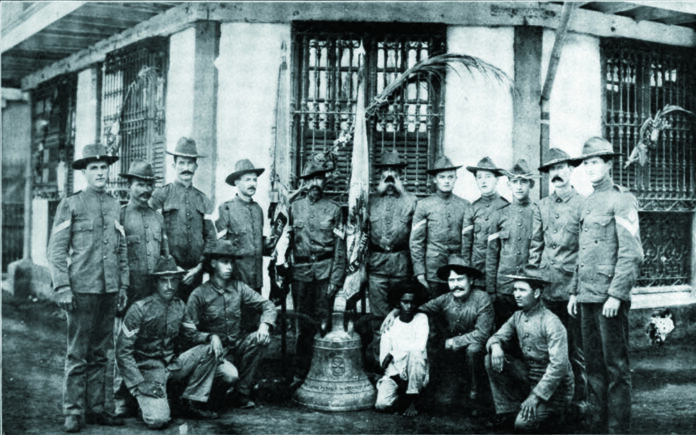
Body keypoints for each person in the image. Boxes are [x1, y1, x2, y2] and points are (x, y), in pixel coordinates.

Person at [48, 144, 129, 432]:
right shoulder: (71, 204)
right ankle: (72, 411)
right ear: (84, 172)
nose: (100, 173)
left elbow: (121, 251)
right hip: (81, 289)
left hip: (108, 291)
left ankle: (95, 409)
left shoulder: (114, 204)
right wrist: (62, 288)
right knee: (77, 353)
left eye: (103, 167)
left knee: (100, 353)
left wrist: (122, 287)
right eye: (93, 168)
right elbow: (56, 251)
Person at [567, 137, 643, 434]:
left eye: (596, 161)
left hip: (609, 299)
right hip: (587, 296)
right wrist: (575, 290)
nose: (590, 167)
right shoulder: (587, 202)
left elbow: (631, 252)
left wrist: (616, 294)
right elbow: (581, 252)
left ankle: (616, 429)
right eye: (586, 162)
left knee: (616, 369)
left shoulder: (622, 199)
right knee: (593, 367)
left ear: (609, 164)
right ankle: (597, 424)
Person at [116, 256, 219, 429]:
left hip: (172, 366)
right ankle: (138, 401)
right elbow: (123, 352)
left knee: (209, 349)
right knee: (158, 420)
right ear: (155, 283)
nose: (169, 286)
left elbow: (191, 335)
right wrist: (140, 384)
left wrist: (210, 337)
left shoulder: (179, 305)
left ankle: (190, 403)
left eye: (173, 281)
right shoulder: (139, 309)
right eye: (164, 281)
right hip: (148, 371)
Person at [182, 240, 278, 409]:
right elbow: (188, 332)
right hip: (214, 354)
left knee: (260, 339)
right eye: (224, 262)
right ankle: (212, 397)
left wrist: (264, 325)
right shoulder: (199, 294)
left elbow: (268, 305)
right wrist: (209, 337)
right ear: (213, 264)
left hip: (236, 347)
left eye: (231, 263)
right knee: (229, 376)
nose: (229, 267)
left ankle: (241, 394)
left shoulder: (239, 288)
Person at [528, 148, 588, 413]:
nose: (556, 174)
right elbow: (535, 247)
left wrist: (576, 288)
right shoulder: (542, 205)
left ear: (571, 170)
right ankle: (552, 398)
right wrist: (533, 284)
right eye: (552, 170)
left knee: (575, 348)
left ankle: (580, 400)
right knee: (547, 346)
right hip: (547, 287)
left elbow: (585, 251)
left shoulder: (583, 204)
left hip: (572, 289)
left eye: (561, 167)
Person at [485, 265, 574, 433]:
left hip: (555, 389)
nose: (516, 294)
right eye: (515, 290)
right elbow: (496, 337)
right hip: (530, 379)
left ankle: (558, 415)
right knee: (490, 358)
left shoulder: (551, 322)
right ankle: (508, 411)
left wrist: (535, 397)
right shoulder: (518, 316)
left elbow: (559, 366)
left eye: (522, 290)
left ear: (536, 293)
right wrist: (496, 346)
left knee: (522, 426)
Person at [114, 160, 170, 416]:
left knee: (149, 344)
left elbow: (165, 255)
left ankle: (144, 395)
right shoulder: (121, 215)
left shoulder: (157, 218)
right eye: (140, 184)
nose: (145, 190)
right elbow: (114, 255)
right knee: (124, 343)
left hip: (152, 294)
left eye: (149, 185)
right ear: (129, 185)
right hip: (130, 291)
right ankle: (121, 396)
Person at [288, 160, 346, 383]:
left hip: (325, 272)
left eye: (319, 178)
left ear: (325, 180)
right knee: (303, 325)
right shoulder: (294, 208)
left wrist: (336, 277)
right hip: (301, 273)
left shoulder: (334, 209)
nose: (315, 183)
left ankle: (323, 373)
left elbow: (341, 248)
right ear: (304, 182)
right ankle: (300, 373)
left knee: (324, 323)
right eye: (310, 179)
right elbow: (287, 242)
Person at [419, 254, 494, 410]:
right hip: (453, 356)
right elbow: (420, 308)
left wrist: (454, 342)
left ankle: (477, 393)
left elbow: (482, 334)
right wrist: (395, 312)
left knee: (473, 349)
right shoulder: (445, 299)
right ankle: (454, 388)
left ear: (471, 280)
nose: (455, 285)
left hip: (478, 353)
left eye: (460, 280)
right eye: (451, 281)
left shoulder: (482, 298)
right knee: (445, 403)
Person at [366, 150, 417, 367]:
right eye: (386, 172)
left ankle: (400, 365)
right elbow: (360, 236)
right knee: (379, 318)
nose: (389, 177)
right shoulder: (369, 201)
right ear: (379, 175)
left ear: (400, 175)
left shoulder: (412, 202)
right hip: (376, 267)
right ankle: (381, 366)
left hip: (401, 266)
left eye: (394, 172)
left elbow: (417, 238)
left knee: (403, 315)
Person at [149, 137, 216, 301]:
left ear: (196, 166)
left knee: (192, 318)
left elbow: (211, 238)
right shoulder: (161, 195)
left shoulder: (203, 199)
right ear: (174, 166)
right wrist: (170, 266)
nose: (186, 168)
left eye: (190, 163)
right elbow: (151, 233)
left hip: (196, 275)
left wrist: (200, 267)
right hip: (168, 274)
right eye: (181, 163)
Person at [216, 159, 281, 293]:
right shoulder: (226, 208)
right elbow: (220, 249)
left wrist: (266, 244)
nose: (252, 184)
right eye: (247, 180)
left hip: (256, 282)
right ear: (236, 182)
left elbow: (254, 244)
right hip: (235, 283)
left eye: (254, 180)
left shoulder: (258, 210)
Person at [486, 159, 537, 328]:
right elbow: (492, 254)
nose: (519, 186)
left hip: (529, 286)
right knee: (504, 331)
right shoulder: (500, 214)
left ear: (531, 184)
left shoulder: (538, 212)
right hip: (504, 288)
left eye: (524, 181)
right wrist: (492, 289)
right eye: (515, 181)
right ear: (508, 184)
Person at [410, 155, 470, 298]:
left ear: (456, 179)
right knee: (434, 309)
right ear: (434, 179)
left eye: (450, 177)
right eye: (442, 177)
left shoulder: (465, 205)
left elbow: (469, 241)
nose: (447, 181)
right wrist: (420, 273)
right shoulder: (424, 205)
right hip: (433, 270)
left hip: (458, 269)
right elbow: (416, 242)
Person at [375, 279, 429, 417]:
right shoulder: (391, 324)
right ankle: (404, 397)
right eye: (405, 302)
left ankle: (413, 401)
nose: (409, 306)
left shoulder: (421, 319)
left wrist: (393, 353)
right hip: (396, 373)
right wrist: (399, 381)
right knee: (382, 405)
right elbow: (384, 359)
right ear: (398, 303)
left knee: (416, 353)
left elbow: (420, 345)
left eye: (412, 302)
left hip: (416, 369)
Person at [461, 156, 509, 290]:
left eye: (488, 176)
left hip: (499, 274)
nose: (483, 181)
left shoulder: (506, 206)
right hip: (477, 275)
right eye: (479, 177)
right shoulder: (472, 208)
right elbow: (466, 246)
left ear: (497, 179)